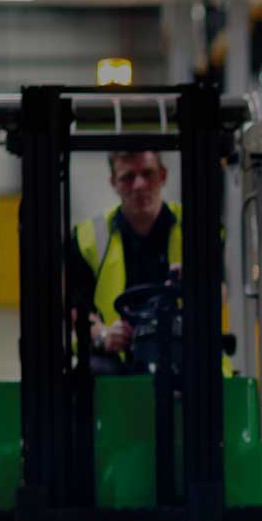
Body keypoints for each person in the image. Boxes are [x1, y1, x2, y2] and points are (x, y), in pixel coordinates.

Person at [68, 150, 184, 373]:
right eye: (128, 177)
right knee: (90, 373)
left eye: (147, 174)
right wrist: (103, 334)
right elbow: (77, 309)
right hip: (117, 356)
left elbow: (221, 291)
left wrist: (197, 280)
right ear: (113, 182)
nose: (139, 185)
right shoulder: (86, 238)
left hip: (182, 348)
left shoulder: (197, 228)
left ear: (163, 175)